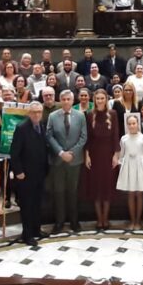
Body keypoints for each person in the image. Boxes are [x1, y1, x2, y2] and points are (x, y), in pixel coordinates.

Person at [46, 90, 88, 233]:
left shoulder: (80, 116)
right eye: (63, 99)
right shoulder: (53, 116)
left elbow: (83, 137)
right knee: (58, 192)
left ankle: (74, 222)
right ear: (60, 100)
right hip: (57, 160)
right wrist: (61, 152)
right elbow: (49, 136)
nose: (65, 102)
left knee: (73, 192)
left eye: (68, 99)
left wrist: (72, 153)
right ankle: (59, 222)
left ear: (72, 100)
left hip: (74, 160)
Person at [11, 102, 50, 246]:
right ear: (29, 113)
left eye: (39, 112)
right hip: (25, 175)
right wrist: (19, 171)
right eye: (34, 112)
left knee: (37, 203)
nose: (37, 114)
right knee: (27, 205)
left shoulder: (42, 125)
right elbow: (14, 153)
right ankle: (27, 235)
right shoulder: (21, 128)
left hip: (39, 172)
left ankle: (36, 230)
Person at [84, 90, 120, 230]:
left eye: (102, 98)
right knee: (96, 188)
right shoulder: (89, 115)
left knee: (107, 187)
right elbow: (87, 137)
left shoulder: (113, 114)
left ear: (106, 99)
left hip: (108, 153)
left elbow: (116, 134)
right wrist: (86, 155)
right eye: (97, 98)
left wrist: (116, 154)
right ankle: (99, 219)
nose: (99, 101)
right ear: (94, 100)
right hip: (94, 154)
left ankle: (106, 218)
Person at [117, 113, 143, 230]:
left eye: (134, 123)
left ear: (138, 124)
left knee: (139, 194)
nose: (132, 126)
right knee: (131, 194)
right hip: (128, 168)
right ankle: (132, 220)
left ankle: (138, 221)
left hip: (140, 168)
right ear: (127, 125)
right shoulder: (124, 138)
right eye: (129, 124)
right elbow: (121, 156)